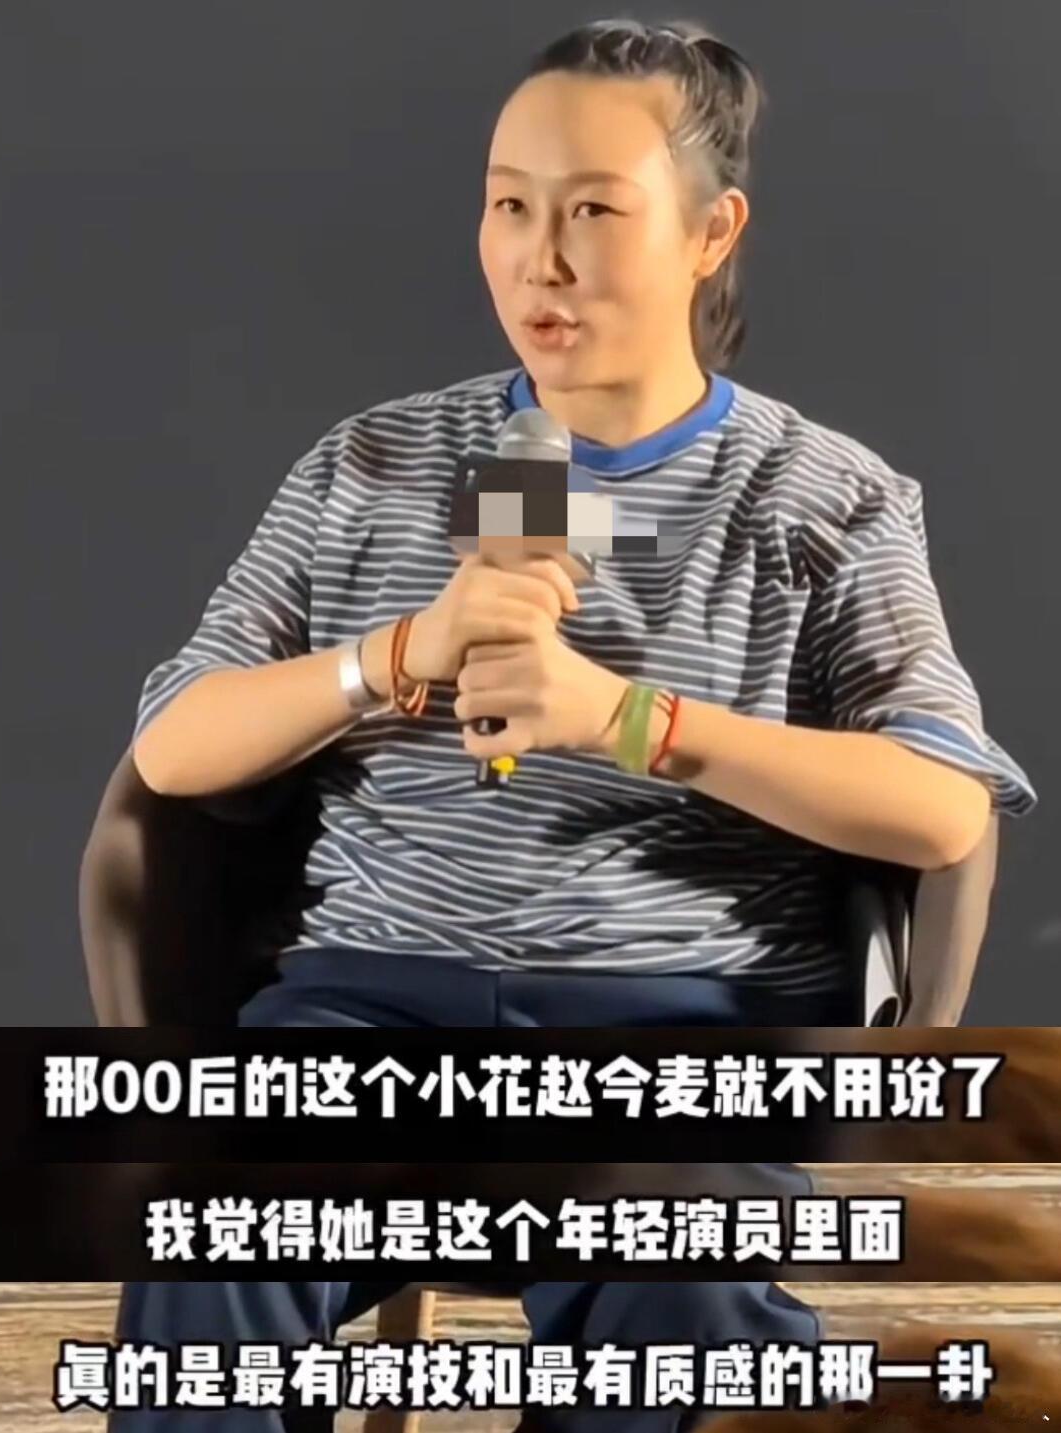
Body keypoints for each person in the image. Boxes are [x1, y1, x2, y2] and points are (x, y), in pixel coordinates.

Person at [113, 16, 1037, 1433]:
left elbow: (941, 806)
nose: (539, 260)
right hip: (372, 1010)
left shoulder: (825, 497)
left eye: (594, 212)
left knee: (679, 1292)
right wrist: (400, 652)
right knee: (218, 1228)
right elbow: (175, 745)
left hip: (675, 1034)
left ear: (712, 233)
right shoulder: (372, 463)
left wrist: (629, 718)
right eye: (509, 206)